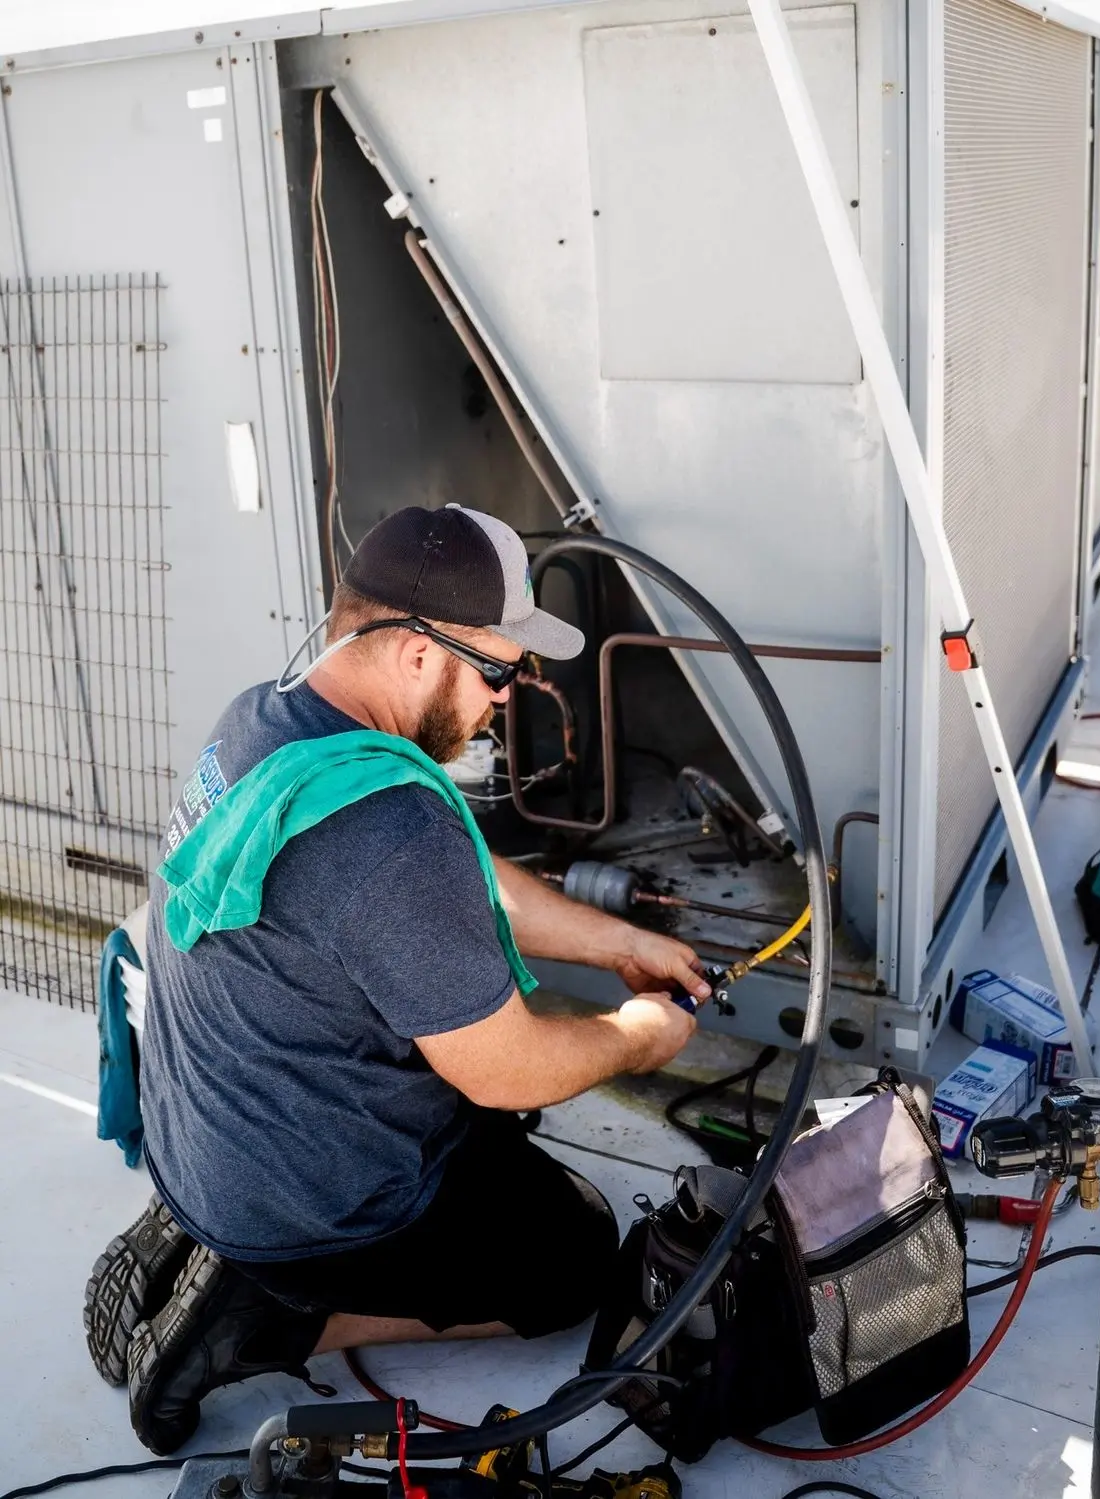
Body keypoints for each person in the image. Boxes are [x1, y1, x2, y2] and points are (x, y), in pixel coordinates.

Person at [82, 504, 709, 1455]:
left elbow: (459, 878)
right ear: (417, 653)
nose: (508, 695)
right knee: (576, 1258)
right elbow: (505, 1070)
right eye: (499, 668)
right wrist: (638, 1034)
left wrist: (609, 939)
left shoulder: (265, 718)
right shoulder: (389, 835)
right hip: (314, 1203)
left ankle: (202, 1229)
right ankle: (256, 1320)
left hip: (208, 1127)